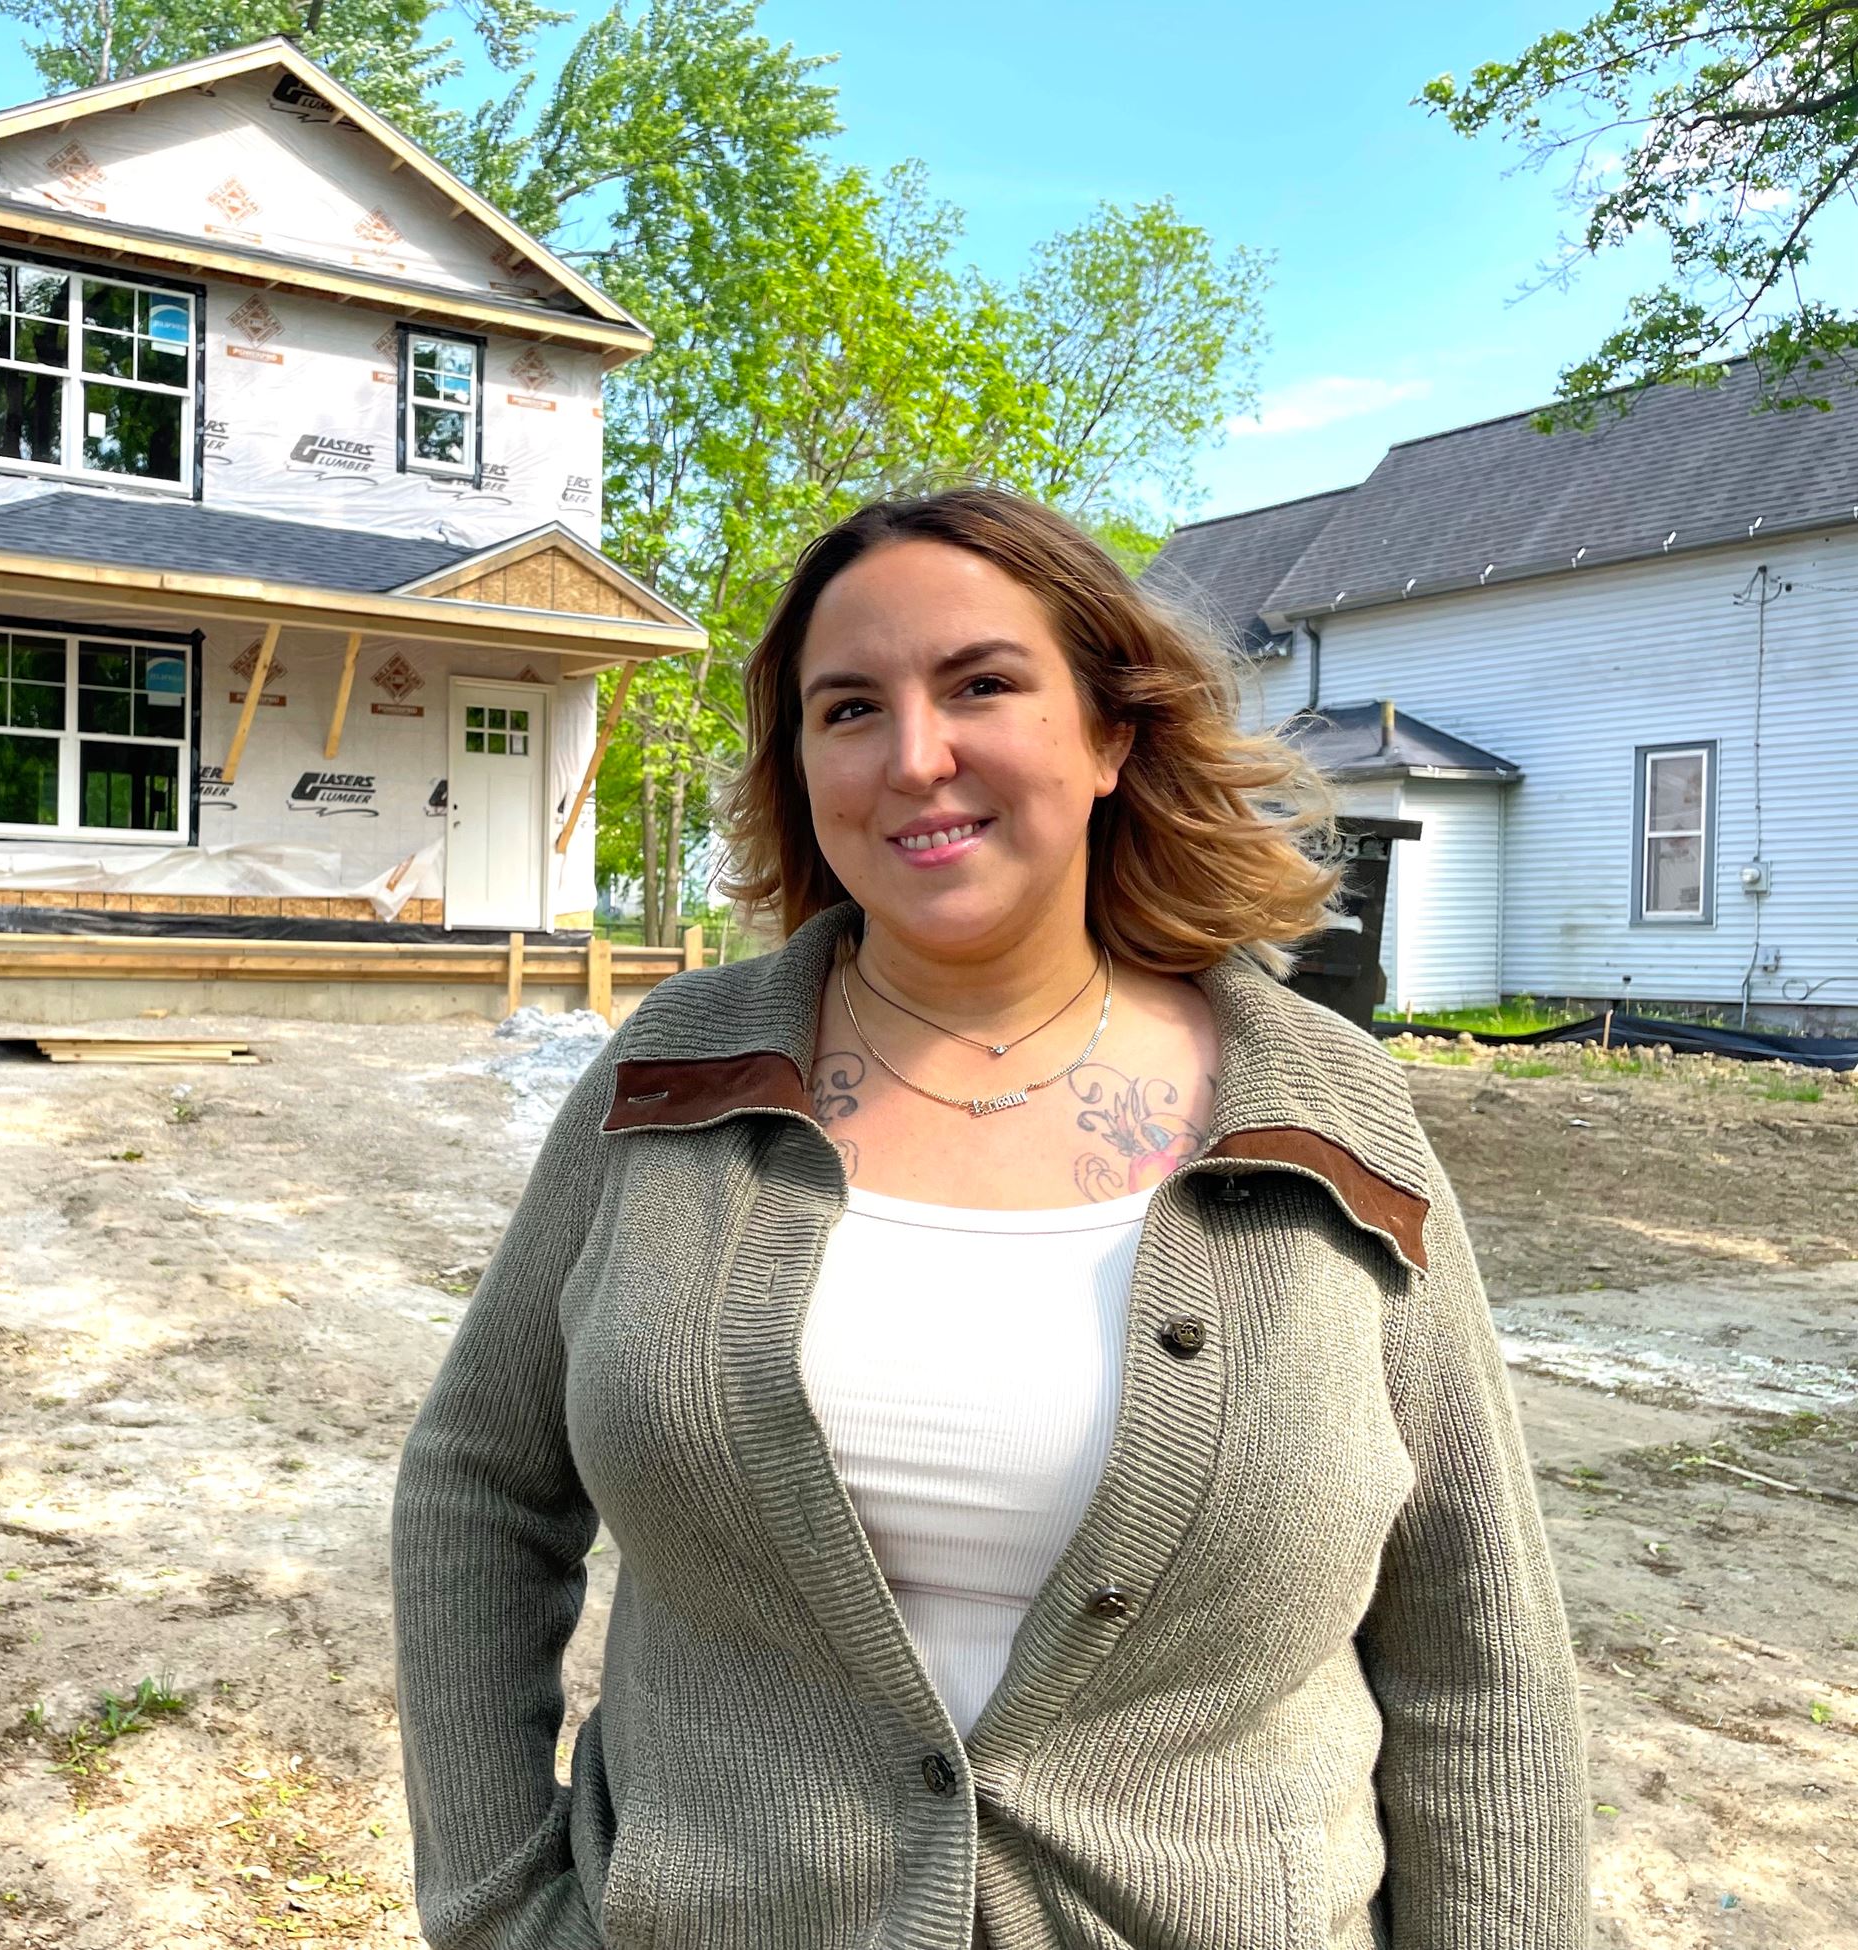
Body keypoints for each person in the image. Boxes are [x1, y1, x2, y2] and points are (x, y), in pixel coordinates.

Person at [389, 486, 1589, 1950]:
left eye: (982, 684)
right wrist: (502, 1908)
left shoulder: (1325, 1112)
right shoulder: (672, 1077)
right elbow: (476, 1484)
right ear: (801, 766)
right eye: (848, 708)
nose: (914, 756)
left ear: (1109, 732)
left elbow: (1478, 1632)